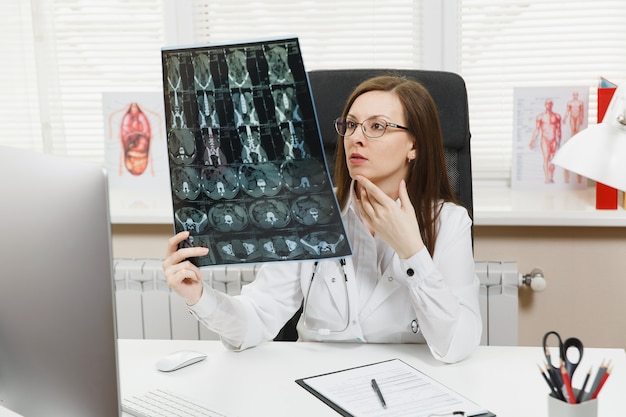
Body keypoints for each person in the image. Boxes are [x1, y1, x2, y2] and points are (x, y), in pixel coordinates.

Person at [163, 75, 482, 364]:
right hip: (318, 384)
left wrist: (413, 252)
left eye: (377, 126)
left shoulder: (449, 222)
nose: (357, 138)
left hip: (410, 389)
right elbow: (257, 319)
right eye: (352, 125)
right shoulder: (307, 210)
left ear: (414, 145)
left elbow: (456, 345)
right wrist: (199, 297)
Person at [528, 98, 562, 183]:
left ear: (552, 105)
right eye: (547, 104)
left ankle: (551, 177)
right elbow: (537, 129)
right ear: (545, 105)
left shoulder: (557, 116)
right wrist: (532, 140)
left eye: (550, 104)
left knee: (553, 160)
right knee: (546, 158)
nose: (549, 105)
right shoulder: (540, 117)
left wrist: (559, 141)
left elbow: (559, 130)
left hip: (553, 140)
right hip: (544, 139)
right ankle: (547, 177)